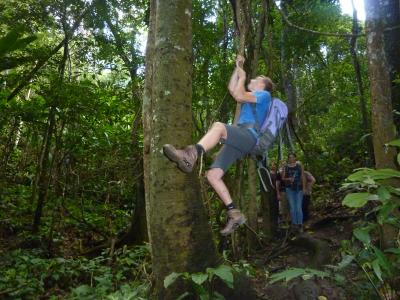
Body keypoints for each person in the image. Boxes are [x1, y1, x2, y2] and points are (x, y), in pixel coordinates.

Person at [162, 55, 274, 236]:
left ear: (263, 85)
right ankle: (234, 213)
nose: (253, 80)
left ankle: (191, 154)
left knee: (219, 127)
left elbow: (238, 94)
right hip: (240, 139)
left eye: (257, 79)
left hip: (248, 135)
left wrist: (243, 76)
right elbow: (233, 90)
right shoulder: (253, 97)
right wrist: (237, 68)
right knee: (212, 175)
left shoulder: (264, 95)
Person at [282, 153, 306, 232]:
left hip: (299, 188)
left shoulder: (299, 165)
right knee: (292, 208)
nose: (291, 158)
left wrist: (304, 188)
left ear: (295, 158)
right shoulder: (286, 167)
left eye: (293, 157)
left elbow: (303, 176)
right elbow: (283, 178)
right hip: (289, 189)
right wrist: (289, 179)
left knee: (298, 207)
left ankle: (300, 224)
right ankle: (294, 224)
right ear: (288, 159)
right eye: (290, 157)